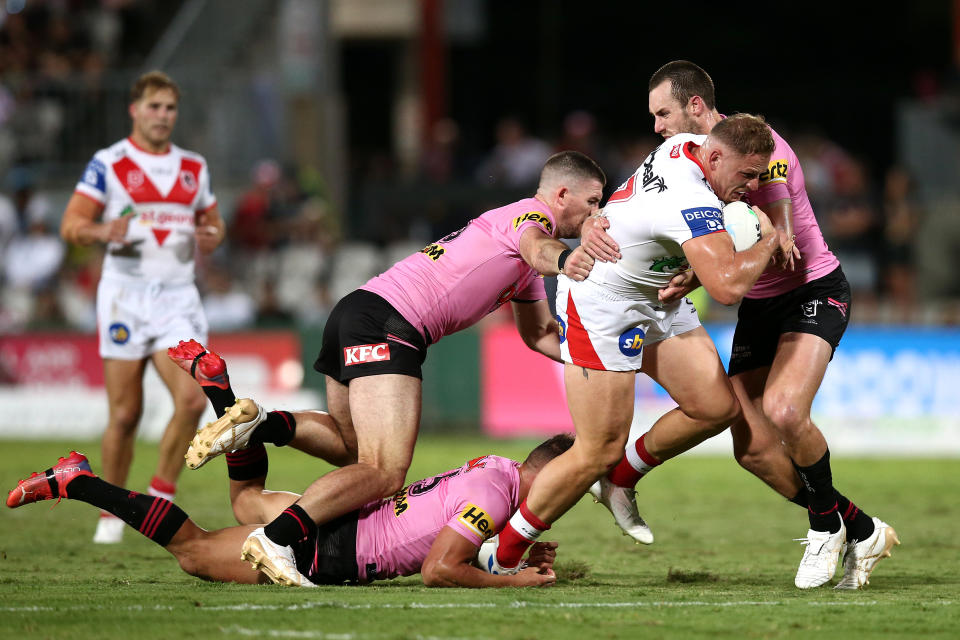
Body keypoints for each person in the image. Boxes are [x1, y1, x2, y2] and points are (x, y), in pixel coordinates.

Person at [171, 151, 606, 585]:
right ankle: (277, 539)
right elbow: (538, 244)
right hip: (391, 325)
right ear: (562, 193)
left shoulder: (524, 263)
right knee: (383, 471)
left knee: (348, 446)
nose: (596, 212)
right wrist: (567, 261)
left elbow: (539, 334)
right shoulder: (531, 219)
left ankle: (261, 424)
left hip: (356, 311)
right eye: (592, 202)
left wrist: (607, 357)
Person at [584, 60, 898, 590]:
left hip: (811, 291)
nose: (657, 125)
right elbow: (643, 199)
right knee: (751, 448)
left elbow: (777, 232)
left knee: (782, 409)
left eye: (664, 113)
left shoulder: (759, 154)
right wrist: (596, 218)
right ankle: (860, 528)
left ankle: (824, 527)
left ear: (696, 108)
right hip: (759, 305)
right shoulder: (683, 158)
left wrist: (746, 248)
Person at [485, 114, 782, 575]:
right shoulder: (692, 200)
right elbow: (726, 289)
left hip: (655, 293)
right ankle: (500, 555)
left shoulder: (688, 144)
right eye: (746, 176)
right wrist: (766, 240)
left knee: (716, 408)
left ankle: (620, 481)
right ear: (716, 157)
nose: (750, 187)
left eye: (758, 177)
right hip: (602, 300)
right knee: (595, 449)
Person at [5, 433, 571, 588]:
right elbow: (440, 568)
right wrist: (513, 582)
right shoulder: (498, 493)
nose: (568, 498)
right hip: (334, 548)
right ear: (549, 471)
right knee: (195, 553)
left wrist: (502, 553)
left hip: (343, 518)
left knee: (244, 504)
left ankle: (232, 411)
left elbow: (446, 527)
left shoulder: (495, 469)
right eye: (572, 484)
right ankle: (79, 482)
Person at [59, 70, 225, 544]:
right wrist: (98, 231)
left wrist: (214, 234)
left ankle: (160, 496)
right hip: (125, 298)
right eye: (153, 107)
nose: (162, 116)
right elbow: (71, 224)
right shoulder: (109, 163)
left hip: (177, 298)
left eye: (169, 108)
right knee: (126, 414)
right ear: (134, 109)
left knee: (194, 397)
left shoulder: (193, 166)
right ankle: (111, 514)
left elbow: (214, 224)